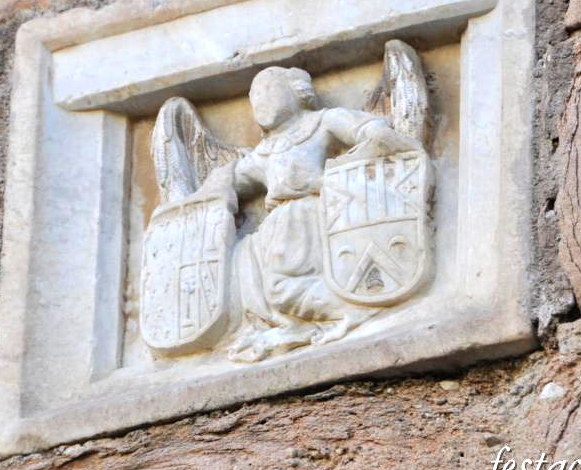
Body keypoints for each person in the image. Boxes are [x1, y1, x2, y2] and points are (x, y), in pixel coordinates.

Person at [180, 66, 422, 361]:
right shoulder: (265, 151)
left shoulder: (321, 122)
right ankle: (305, 320)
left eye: (268, 90)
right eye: (254, 95)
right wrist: (206, 194)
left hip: (308, 216)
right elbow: (233, 180)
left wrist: (374, 140)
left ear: (296, 91)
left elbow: (366, 129)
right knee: (255, 272)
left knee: (282, 288)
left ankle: (349, 310)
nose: (259, 100)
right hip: (277, 225)